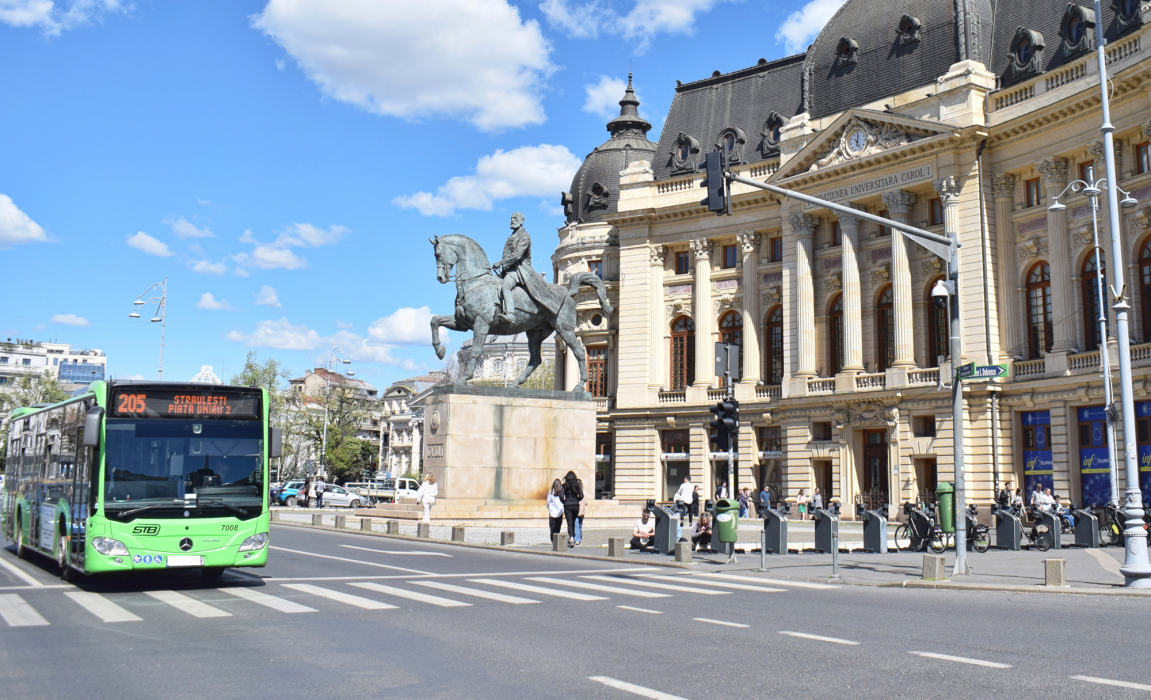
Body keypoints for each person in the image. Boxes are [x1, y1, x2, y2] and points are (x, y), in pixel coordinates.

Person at [492, 212, 562, 325]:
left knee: (505, 286)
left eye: (515, 218)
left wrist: (501, 262)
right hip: (509, 269)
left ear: (521, 221)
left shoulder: (525, 236)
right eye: (511, 218)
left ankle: (510, 314)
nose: (512, 220)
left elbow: (517, 255)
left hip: (520, 270)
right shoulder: (513, 235)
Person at [562, 471, 583, 548]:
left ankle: (571, 538)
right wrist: (577, 500)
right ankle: (573, 537)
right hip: (575, 505)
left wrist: (565, 501)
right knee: (573, 522)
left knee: (569, 523)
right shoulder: (577, 485)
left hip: (567, 506)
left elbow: (561, 496)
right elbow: (581, 495)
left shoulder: (564, 486)